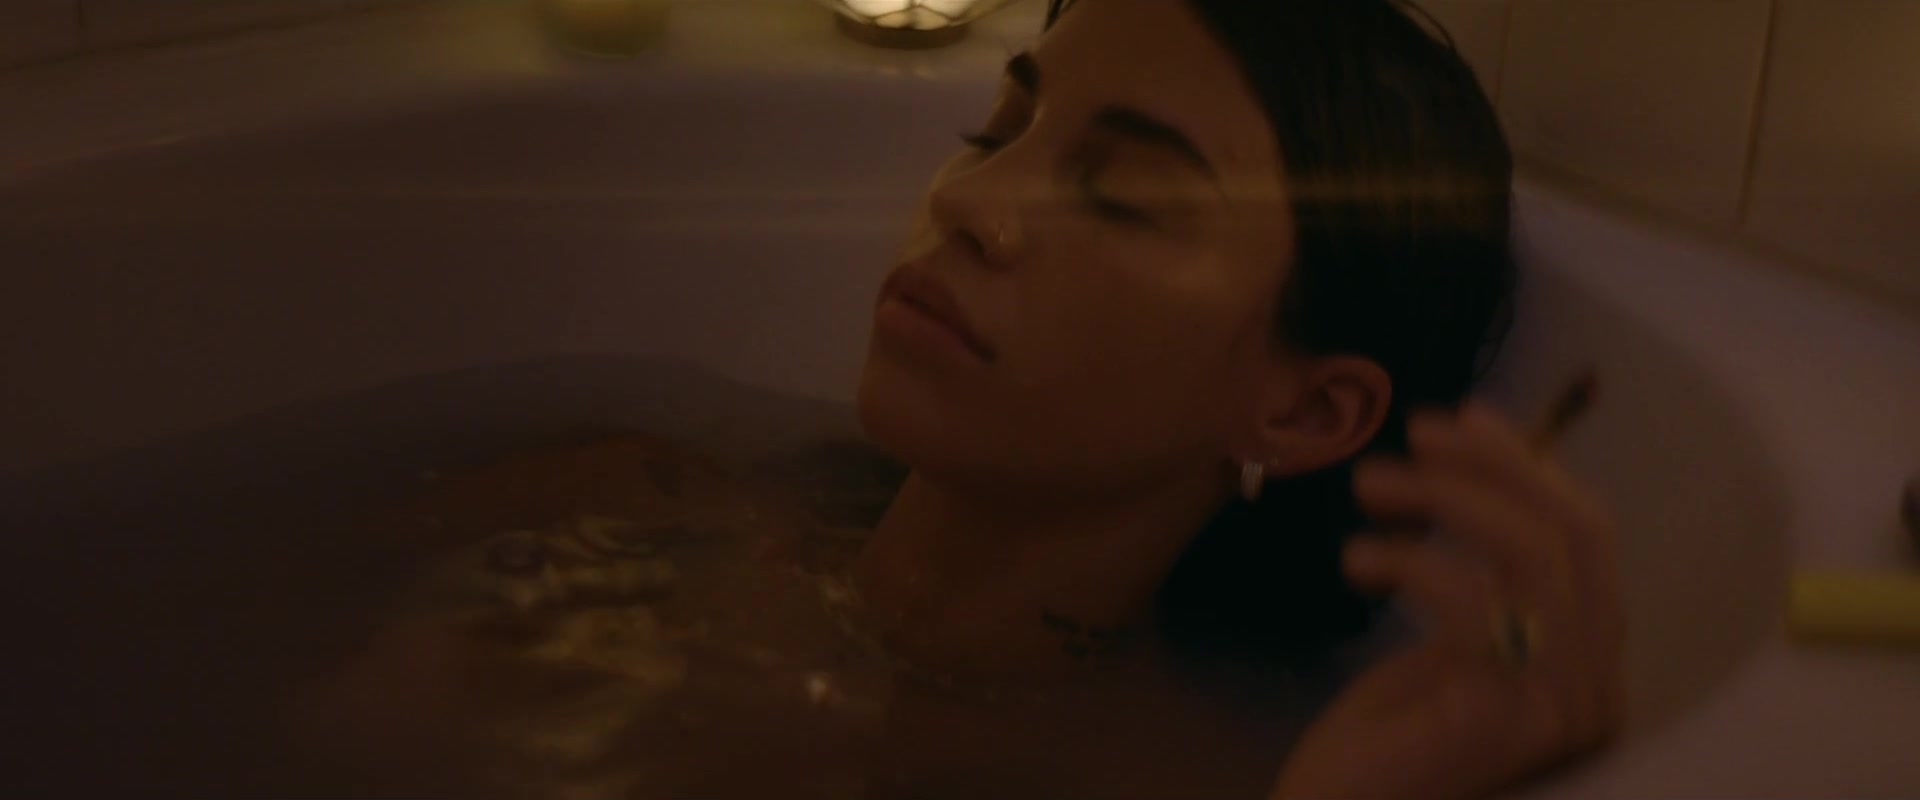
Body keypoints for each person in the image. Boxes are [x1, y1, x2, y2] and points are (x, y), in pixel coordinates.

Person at [290, 0, 1626, 798]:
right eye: (998, 131)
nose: (973, 199)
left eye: (1122, 195)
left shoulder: (1183, 780)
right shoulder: (618, 498)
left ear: (1306, 415)